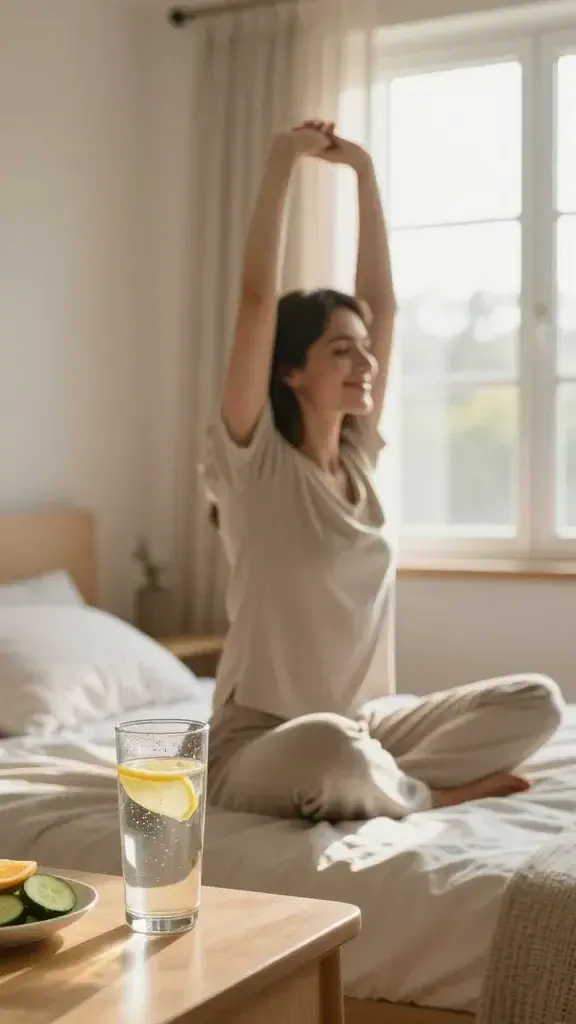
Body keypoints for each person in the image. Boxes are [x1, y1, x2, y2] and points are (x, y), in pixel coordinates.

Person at [201, 120, 563, 821]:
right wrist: (282, 160)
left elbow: (384, 306)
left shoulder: (359, 461)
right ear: (291, 368)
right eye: (342, 350)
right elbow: (253, 302)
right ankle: (425, 794)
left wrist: (364, 174)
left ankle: (379, 782)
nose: (366, 364)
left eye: (366, 350)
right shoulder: (255, 466)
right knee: (331, 751)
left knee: (536, 702)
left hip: (364, 724)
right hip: (261, 742)